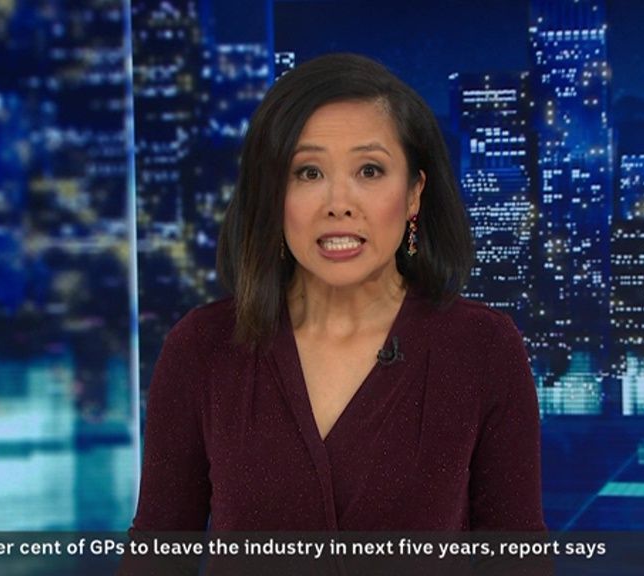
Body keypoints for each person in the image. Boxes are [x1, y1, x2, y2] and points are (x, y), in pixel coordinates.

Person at [130, 53, 544, 534]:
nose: (339, 205)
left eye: (369, 170)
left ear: (414, 193)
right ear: (272, 195)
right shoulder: (202, 347)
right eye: (308, 173)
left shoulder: (483, 348)